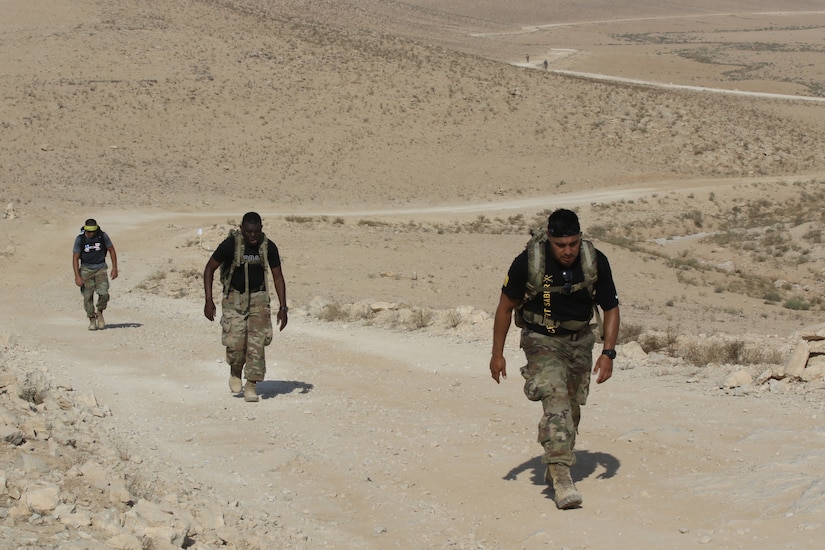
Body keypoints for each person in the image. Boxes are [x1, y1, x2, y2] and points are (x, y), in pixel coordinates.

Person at [489, 208, 620, 509]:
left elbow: (611, 307)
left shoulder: (594, 260)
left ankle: (555, 459)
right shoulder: (528, 262)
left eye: (573, 243)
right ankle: (562, 476)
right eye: (561, 245)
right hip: (540, 340)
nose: (568, 251)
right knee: (556, 400)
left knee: (571, 408)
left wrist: (608, 352)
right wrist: (497, 354)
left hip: (579, 343)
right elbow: (505, 308)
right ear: (549, 239)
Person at [203, 212, 288, 402]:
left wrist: (283, 307)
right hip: (234, 298)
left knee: (257, 344)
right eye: (249, 232)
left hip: (259, 298)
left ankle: (251, 384)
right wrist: (208, 300)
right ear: (242, 229)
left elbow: (278, 276)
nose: (253, 236)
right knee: (235, 344)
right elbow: (209, 268)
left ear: (261, 229)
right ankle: (235, 370)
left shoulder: (268, 247)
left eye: (256, 232)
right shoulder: (230, 245)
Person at [72, 218, 118, 331]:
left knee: (104, 294)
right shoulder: (80, 239)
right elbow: (75, 257)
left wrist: (115, 268)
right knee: (87, 296)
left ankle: (100, 312)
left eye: (93, 231)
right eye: (89, 231)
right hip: (86, 269)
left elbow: (111, 250)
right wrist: (77, 276)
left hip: (100, 268)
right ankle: (92, 319)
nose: (91, 234)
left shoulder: (102, 236)